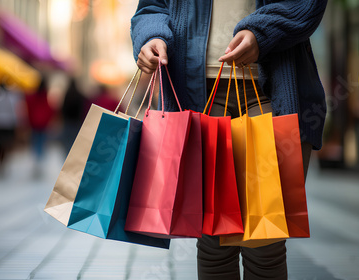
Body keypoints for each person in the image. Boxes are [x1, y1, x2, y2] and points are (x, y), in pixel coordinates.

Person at [131, 1, 327, 279]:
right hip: (198, 94)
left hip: (273, 90)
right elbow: (152, 7)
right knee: (213, 244)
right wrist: (151, 36)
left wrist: (262, 32)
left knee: (265, 243)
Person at [25, 76, 55, 178]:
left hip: (34, 123)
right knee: (42, 143)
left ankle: (36, 162)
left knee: (35, 142)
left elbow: (29, 107)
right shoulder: (45, 95)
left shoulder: (33, 96)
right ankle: (39, 162)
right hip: (44, 124)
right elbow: (50, 109)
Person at [0, 82, 19, 178]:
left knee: (0, 144)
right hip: (7, 124)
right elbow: (13, 111)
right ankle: (1, 162)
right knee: (5, 145)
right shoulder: (10, 96)